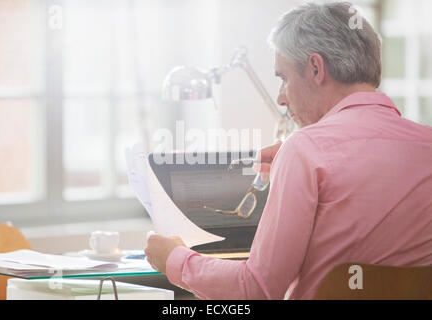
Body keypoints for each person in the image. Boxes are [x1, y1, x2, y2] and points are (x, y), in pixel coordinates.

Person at [144, 2, 432, 299]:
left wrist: (175, 260)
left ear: (316, 69)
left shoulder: (305, 150)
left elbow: (257, 288)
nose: (281, 98)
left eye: (283, 78)